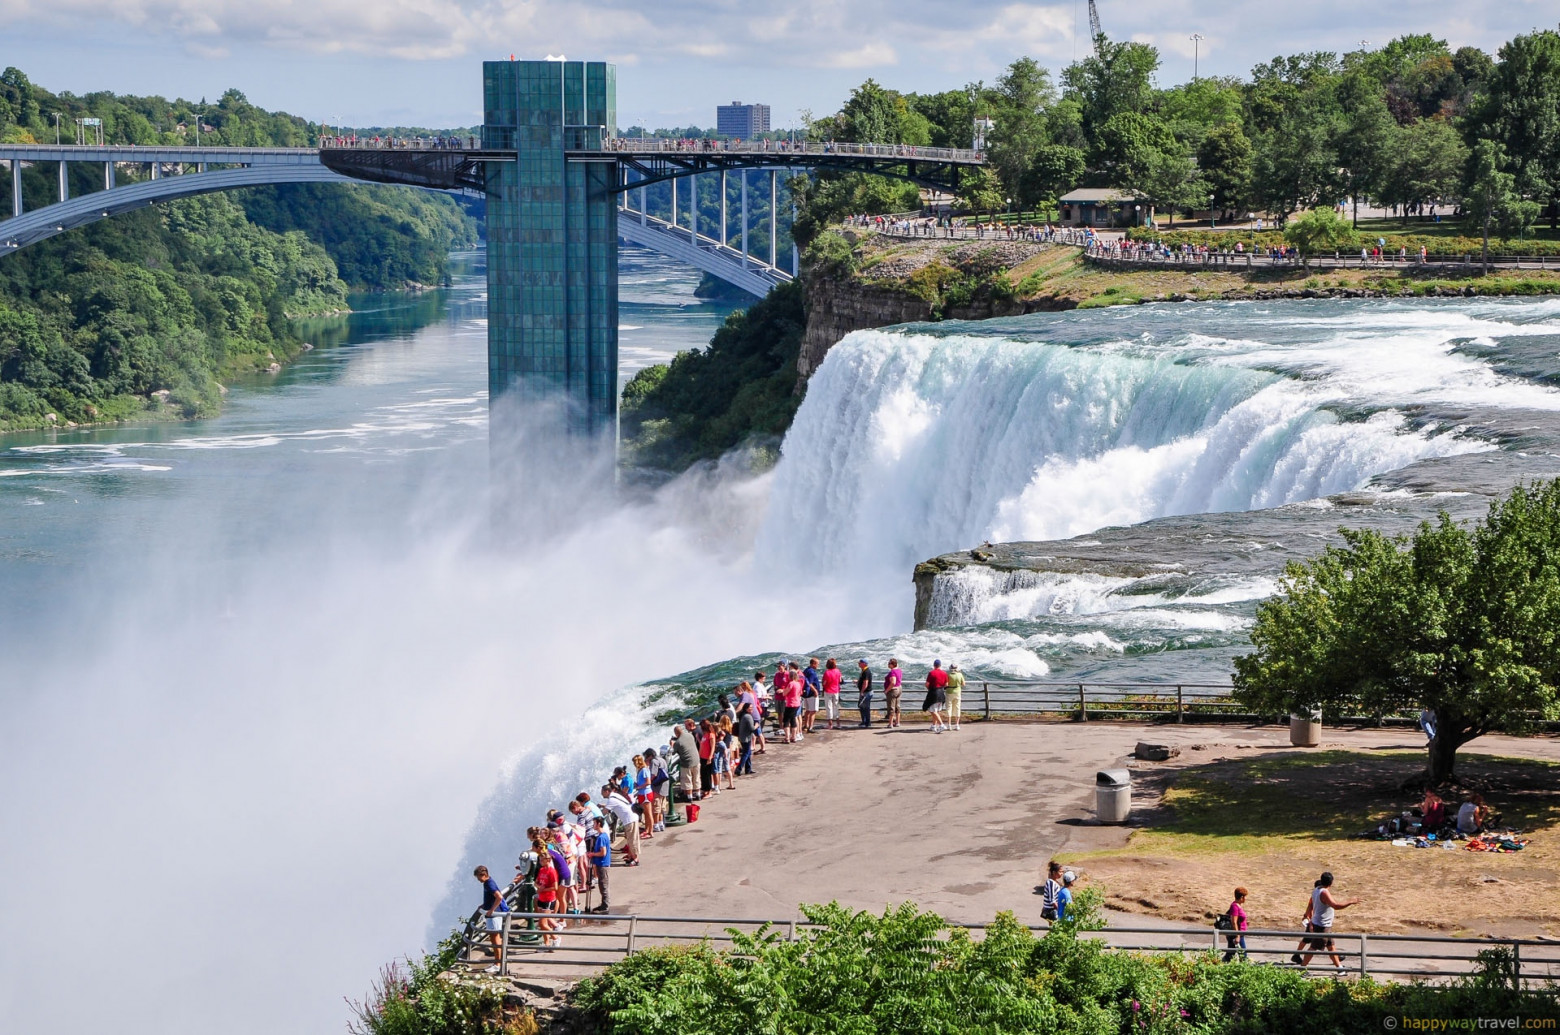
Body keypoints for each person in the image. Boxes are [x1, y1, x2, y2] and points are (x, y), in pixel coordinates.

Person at [1292, 871, 1360, 973]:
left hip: (1323, 924)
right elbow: (1336, 905)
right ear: (1331, 882)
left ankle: (1340, 969)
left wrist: (1307, 916)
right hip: (1322, 925)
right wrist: (1350, 901)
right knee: (1313, 948)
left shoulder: (1316, 890)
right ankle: (1302, 968)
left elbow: (1311, 904)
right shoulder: (1324, 892)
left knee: (1331, 947)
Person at [473, 865, 509, 971]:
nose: (478, 880)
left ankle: (498, 964)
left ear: (483, 875)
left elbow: (499, 897)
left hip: (494, 915)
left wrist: (491, 910)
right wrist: (484, 905)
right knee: (495, 938)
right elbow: (491, 898)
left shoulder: (489, 884)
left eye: (478, 877)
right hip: (494, 913)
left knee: (495, 938)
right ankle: (498, 962)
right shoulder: (488, 882)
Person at [531, 839, 561, 947]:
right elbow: (536, 882)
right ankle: (547, 943)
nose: (540, 862)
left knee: (542, 923)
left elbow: (555, 887)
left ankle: (555, 937)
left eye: (542, 860)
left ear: (547, 860)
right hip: (541, 898)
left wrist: (543, 889)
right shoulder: (542, 870)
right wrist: (539, 887)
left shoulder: (552, 872)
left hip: (549, 899)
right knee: (544, 923)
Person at [586, 815, 612, 913]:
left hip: (602, 864)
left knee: (604, 885)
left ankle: (605, 906)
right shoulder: (603, 836)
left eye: (594, 823)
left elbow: (603, 852)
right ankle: (603, 904)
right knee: (602, 885)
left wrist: (592, 854)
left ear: (599, 824)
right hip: (601, 864)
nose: (593, 825)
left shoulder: (601, 838)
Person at [1223, 887, 1249, 962]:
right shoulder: (1234, 906)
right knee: (1242, 954)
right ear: (1241, 897)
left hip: (1240, 933)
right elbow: (1234, 922)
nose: (1245, 899)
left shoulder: (1238, 906)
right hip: (1237, 934)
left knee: (1231, 954)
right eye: (1245, 897)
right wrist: (1237, 935)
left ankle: (1221, 965)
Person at [923, 659, 949, 732]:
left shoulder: (931, 673)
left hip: (933, 692)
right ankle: (934, 726)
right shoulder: (944, 673)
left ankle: (941, 725)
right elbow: (946, 684)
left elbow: (927, 684)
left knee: (933, 711)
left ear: (934, 665)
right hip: (941, 692)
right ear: (940, 665)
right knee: (937, 710)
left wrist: (929, 689)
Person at [783, 665, 804, 743]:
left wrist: (784, 691)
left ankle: (787, 737)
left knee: (786, 721)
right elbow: (800, 693)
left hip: (790, 703)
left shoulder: (791, 683)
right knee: (793, 720)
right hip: (797, 703)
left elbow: (785, 693)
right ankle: (794, 737)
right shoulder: (798, 683)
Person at [802, 657, 822, 734]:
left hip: (806, 694)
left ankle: (805, 725)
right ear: (813, 664)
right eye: (817, 664)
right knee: (813, 711)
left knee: (807, 710)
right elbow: (809, 683)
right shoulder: (812, 672)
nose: (818, 665)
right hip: (811, 694)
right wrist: (815, 691)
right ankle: (810, 727)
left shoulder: (806, 670)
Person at [822, 658, 843, 730]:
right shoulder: (838, 671)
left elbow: (824, 683)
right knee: (836, 707)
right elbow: (840, 680)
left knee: (829, 707)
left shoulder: (827, 672)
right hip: (836, 690)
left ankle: (830, 724)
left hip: (828, 691)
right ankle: (838, 723)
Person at [736, 700, 756, 775]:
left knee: (748, 752)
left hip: (742, 737)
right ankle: (738, 769)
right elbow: (752, 728)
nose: (752, 708)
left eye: (752, 707)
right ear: (746, 709)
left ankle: (748, 769)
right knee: (746, 753)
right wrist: (756, 725)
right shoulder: (748, 716)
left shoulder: (743, 715)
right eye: (750, 707)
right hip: (746, 738)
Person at [883, 658, 903, 728]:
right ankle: (897, 722)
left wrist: (887, 690)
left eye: (889, 663)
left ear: (892, 665)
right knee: (897, 706)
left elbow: (893, 682)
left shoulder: (892, 672)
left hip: (893, 690)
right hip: (899, 688)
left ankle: (890, 723)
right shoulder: (899, 670)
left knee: (891, 706)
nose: (888, 664)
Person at [946, 663, 965, 730]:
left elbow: (946, 684)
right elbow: (963, 684)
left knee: (949, 707)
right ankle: (957, 725)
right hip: (957, 692)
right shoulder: (960, 674)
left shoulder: (948, 675)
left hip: (949, 692)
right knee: (957, 707)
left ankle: (949, 724)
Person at [856, 659, 874, 728]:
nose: (859, 664)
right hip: (866, 692)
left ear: (864, 664)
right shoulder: (864, 671)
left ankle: (867, 722)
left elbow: (865, 683)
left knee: (864, 707)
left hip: (866, 692)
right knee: (863, 707)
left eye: (860, 663)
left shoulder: (866, 671)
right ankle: (865, 722)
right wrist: (858, 681)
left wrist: (862, 692)